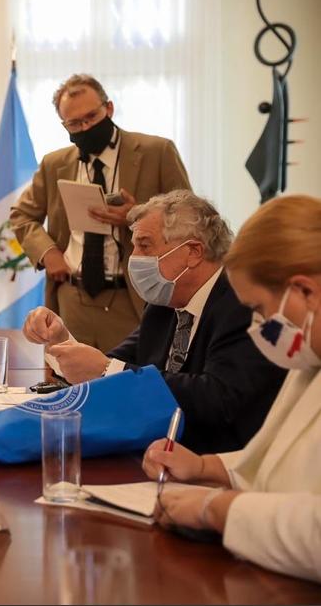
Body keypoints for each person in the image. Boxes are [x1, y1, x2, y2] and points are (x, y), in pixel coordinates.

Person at [143, 194, 321, 584]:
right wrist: (207, 468)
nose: (257, 325)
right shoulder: (309, 356)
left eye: (259, 308)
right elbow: (285, 462)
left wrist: (216, 509)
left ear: (305, 292)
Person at [22, 191, 286, 453]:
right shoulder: (164, 302)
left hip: (216, 463)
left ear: (193, 252)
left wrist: (106, 369)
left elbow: (217, 399)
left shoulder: (242, 303)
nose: (134, 258)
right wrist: (62, 342)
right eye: (133, 246)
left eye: (145, 245)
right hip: (156, 453)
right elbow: (115, 363)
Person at [10, 73, 192, 352]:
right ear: (64, 124)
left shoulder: (158, 151)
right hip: (72, 298)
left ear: (109, 108)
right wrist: (48, 253)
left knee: (128, 384)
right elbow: (21, 215)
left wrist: (136, 217)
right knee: (70, 385)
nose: (85, 126)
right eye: (74, 123)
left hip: (133, 296)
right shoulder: (54, 163)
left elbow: (189, 217)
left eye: (92, 117)